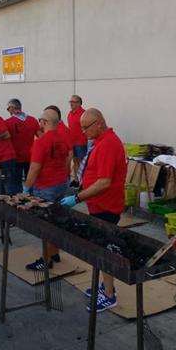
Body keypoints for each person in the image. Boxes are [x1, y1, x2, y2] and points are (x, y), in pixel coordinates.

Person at [60, 108, 127, 312]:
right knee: (99, 246)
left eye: (86, 127)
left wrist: (77, 198)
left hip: (107, 206)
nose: (83, 132)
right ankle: (104, 285)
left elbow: (104, 182)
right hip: (98, 204)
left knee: (104, 249)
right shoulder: (100, 141)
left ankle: (109, 294)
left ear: (99, 122)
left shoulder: (108, 144)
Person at [23, 109, 71, 270]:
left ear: (44, 122)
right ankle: (54, 252)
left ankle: (46, 260)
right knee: (56, 220)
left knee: (45, 225)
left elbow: (34, 168)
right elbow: (66, 159)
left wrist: (26, 188)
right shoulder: (62, 139)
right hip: (61, 184)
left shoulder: (41, 142)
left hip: (45, 187)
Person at [5, 98, 39, 190]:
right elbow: (41, 137)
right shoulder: (32, 120)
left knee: (15, 184)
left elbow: (3, 138)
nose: (8, 111)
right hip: (31, 156)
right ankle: (31, 201)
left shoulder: (8, 122)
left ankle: (17, 201)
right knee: (31, 181)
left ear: (12, 108)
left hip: (15, 157)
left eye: (8, 109)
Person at [44, 105, 73, 181]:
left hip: (59, 175)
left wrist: (63, 170)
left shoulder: (63, 131)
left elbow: (70, 152)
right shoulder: (52, 129)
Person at [67, 95, 88, 186]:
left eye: (73, 102)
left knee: (82, 162)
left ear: (79, 103)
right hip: (72, 142)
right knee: (75, 161)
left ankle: (84, 181)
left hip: (81, 142)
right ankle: (76, 179)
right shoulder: (70, 113)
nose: (71, 104)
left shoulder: (84, 113)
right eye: (70, 102)